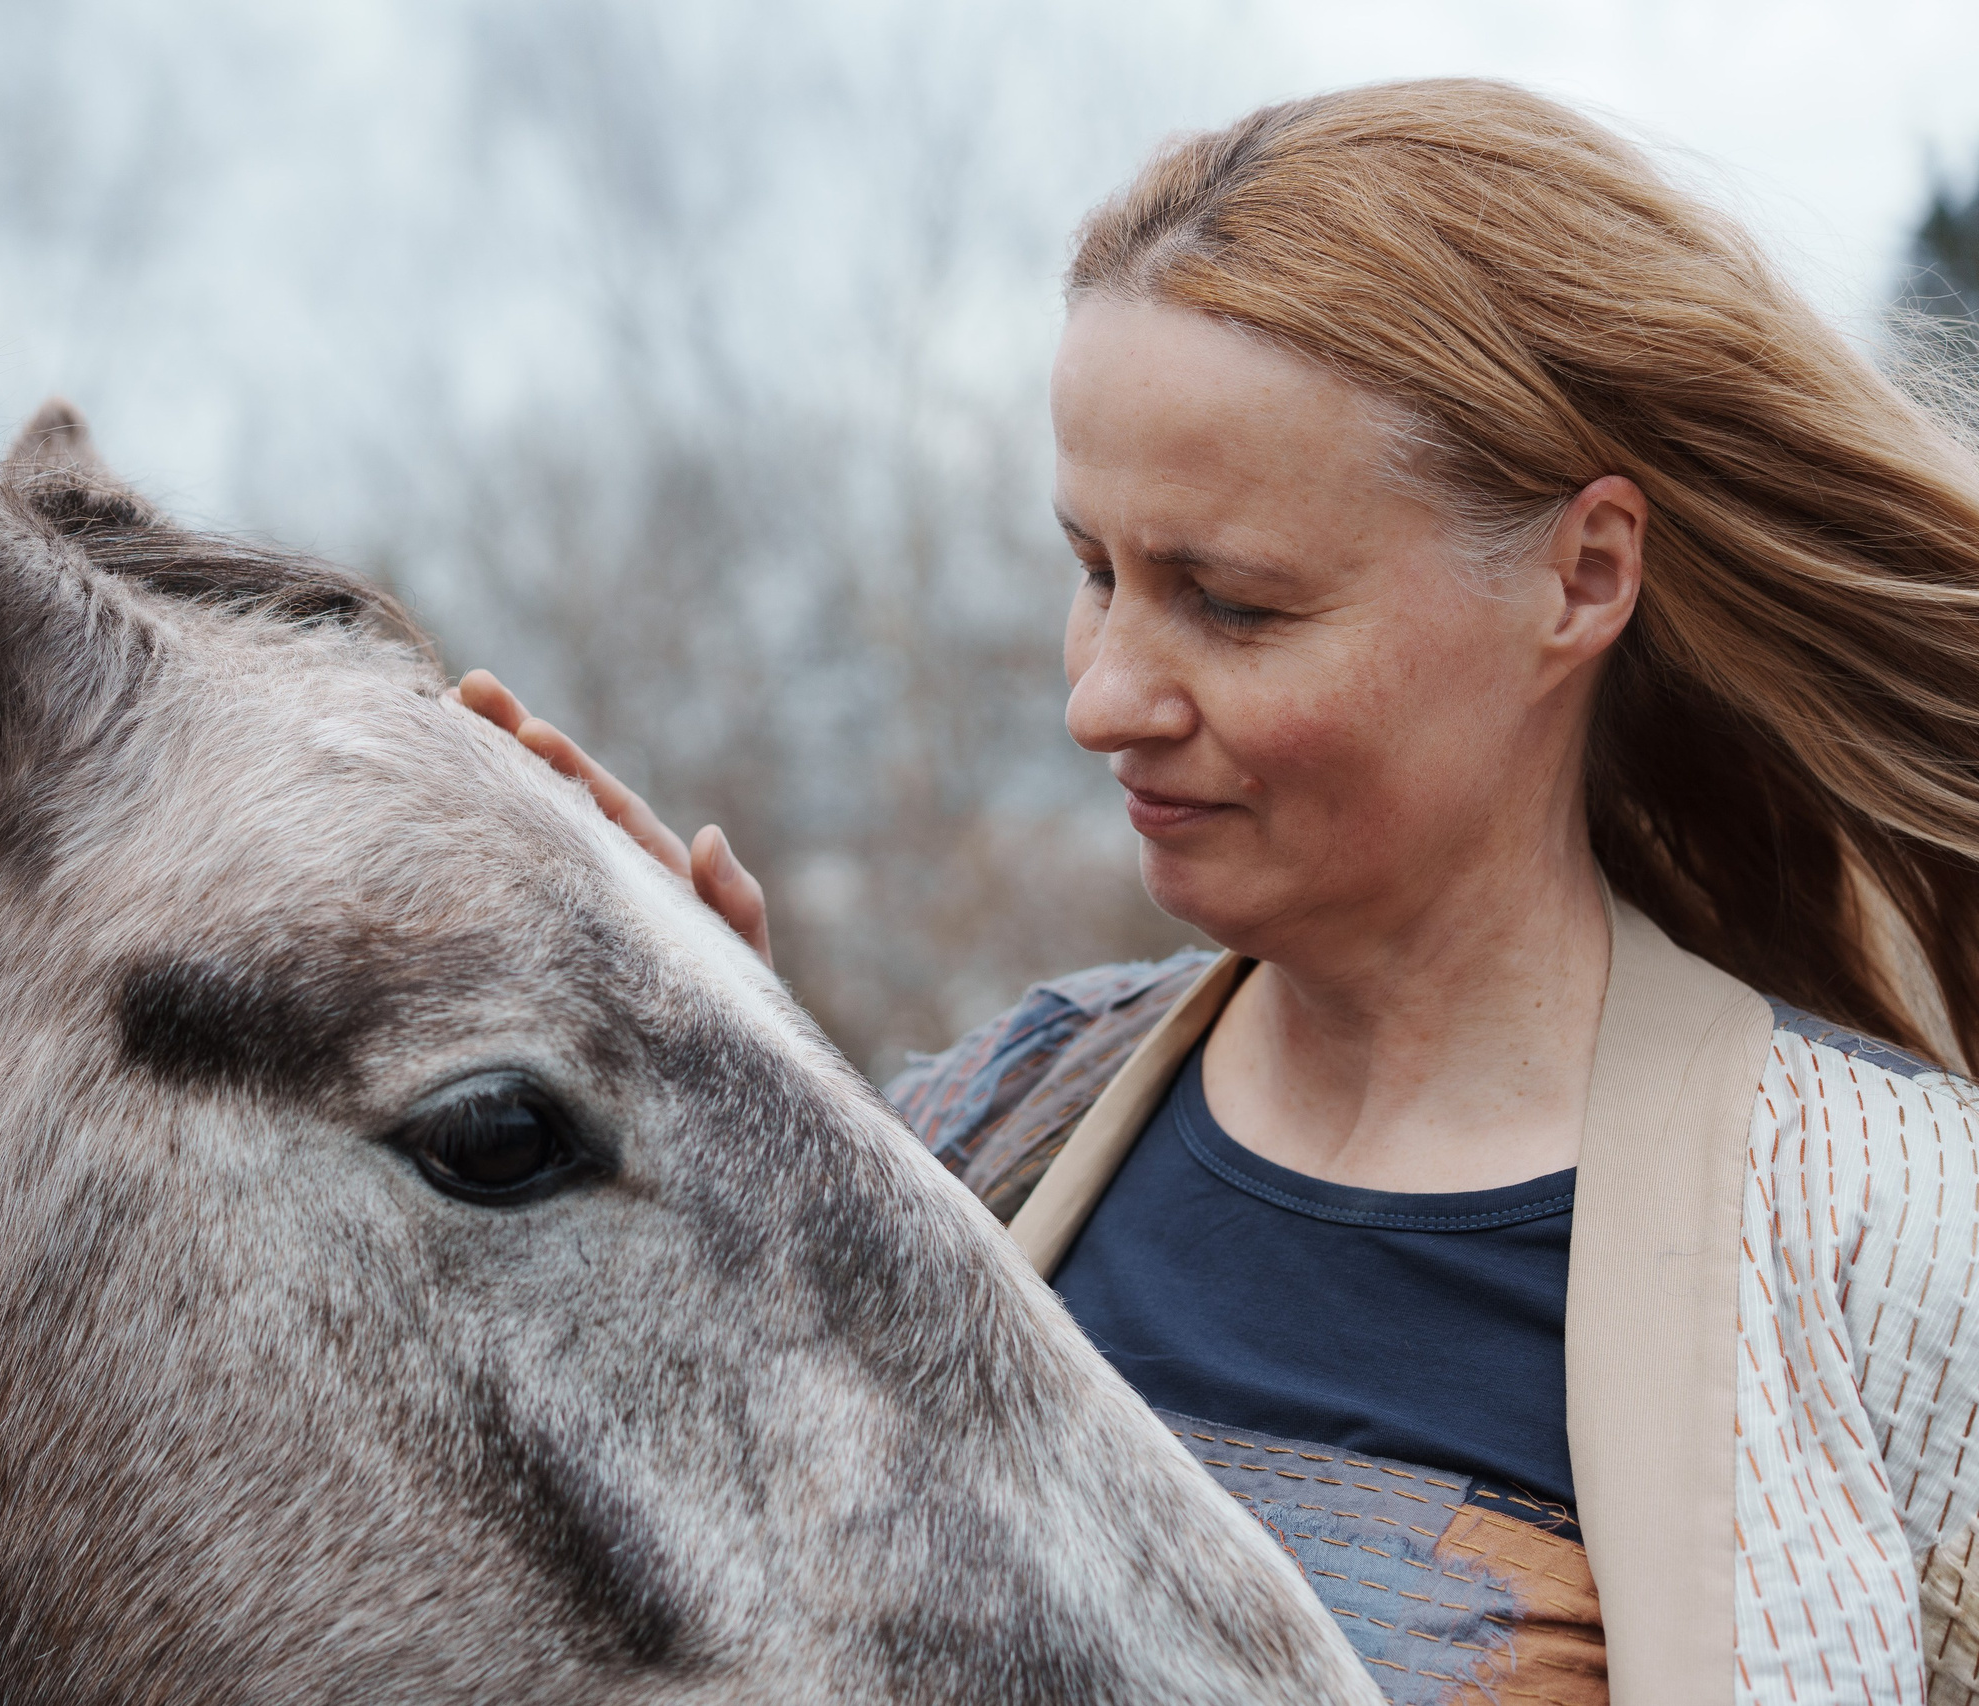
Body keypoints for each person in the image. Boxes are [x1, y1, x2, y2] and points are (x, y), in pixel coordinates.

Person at [457, 79, 1979, 1706]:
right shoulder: (990, 1123)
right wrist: (703, 1124)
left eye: (1233, 604)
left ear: (1583, 575)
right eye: (1095, 572)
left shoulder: (1899, 1238)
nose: (1103, 696)